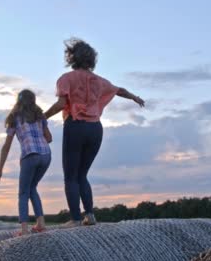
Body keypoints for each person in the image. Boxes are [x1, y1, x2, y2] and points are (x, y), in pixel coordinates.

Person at [44, 38, 144, 228]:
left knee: (71, 176)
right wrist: (134, 97)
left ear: (71, 57)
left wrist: (43, 116)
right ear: (92, 60)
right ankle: (90, 215)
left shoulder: (66, 79)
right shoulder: (100, 81)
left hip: (76, 126)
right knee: (83, 175)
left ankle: (74, 219)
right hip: (96, 129)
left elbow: (61, 104)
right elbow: (119, 90)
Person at [0, 89, 52, 236]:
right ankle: (41, 224)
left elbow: (6, 146)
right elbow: (49, 138)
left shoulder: (14, 118)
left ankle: (24, 230)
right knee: (32, 187)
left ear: (18, 101)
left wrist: (0, 169)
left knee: (23, 192)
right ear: (34, 100)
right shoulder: (40, 116)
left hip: (30, 155)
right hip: (46, 155)